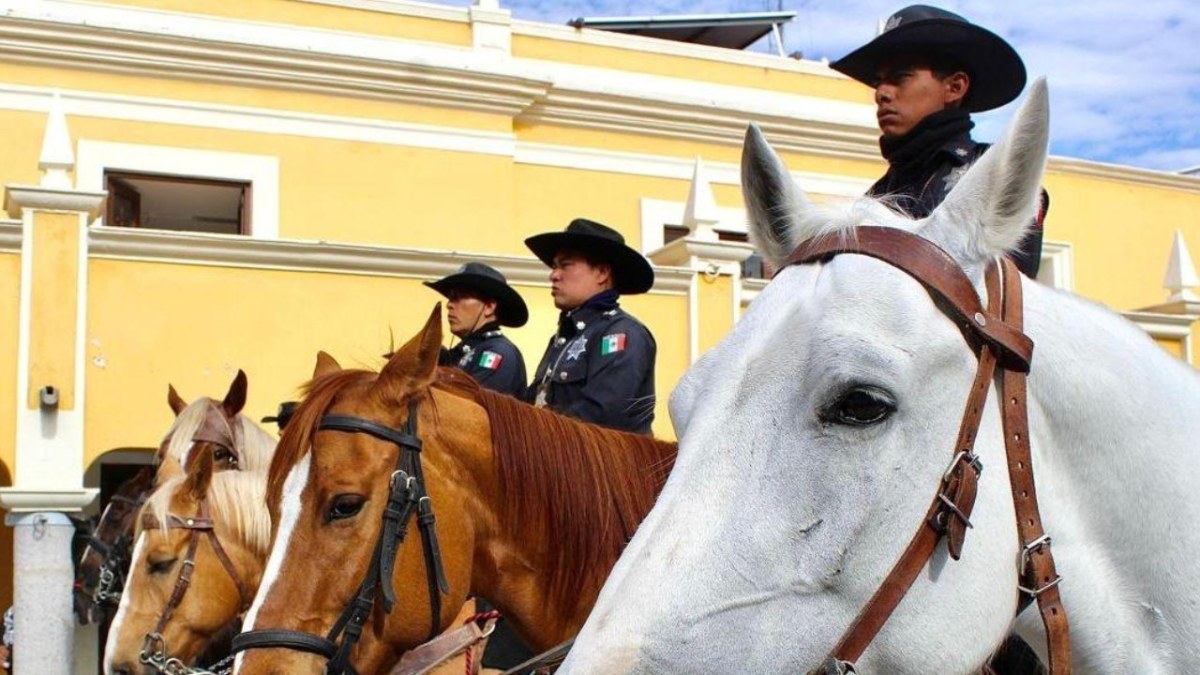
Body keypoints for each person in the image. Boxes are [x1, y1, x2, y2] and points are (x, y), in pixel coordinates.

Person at [831, 4, 1045, 277]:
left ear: (954, 88)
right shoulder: (870, 201)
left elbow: (1001, 299)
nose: (881, 93)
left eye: (900, 77)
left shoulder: (1000, 176)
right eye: (879, 82)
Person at [524, 218, 657, 434]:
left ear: (602, 273)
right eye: (554, 266)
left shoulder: (621, 333)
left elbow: (602, 416)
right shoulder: (566, 336)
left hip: (609, 465)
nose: (554, 274)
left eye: (565, 265)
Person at [424, 262, 528, 398]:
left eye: (460, 297)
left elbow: (471, 409)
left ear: (489, 307)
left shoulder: (498, 353)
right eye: (450, 298)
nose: (449, 304)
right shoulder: (463, 352)